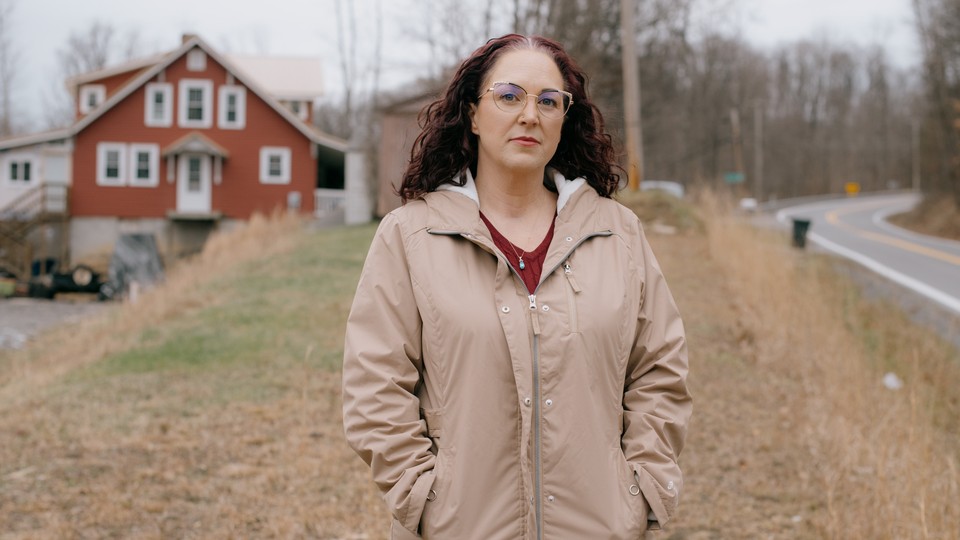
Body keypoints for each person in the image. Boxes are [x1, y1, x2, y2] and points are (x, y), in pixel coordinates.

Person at [342, 33, 691, 540]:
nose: (530, 114)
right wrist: (422, 495)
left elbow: (660, 371)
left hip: (601, 526)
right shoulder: (410, 236)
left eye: (549, 101)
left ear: (563, 120)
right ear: (474, 115)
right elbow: (375, 384)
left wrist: (642, 490)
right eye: (509, 96)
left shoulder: (617, 232)